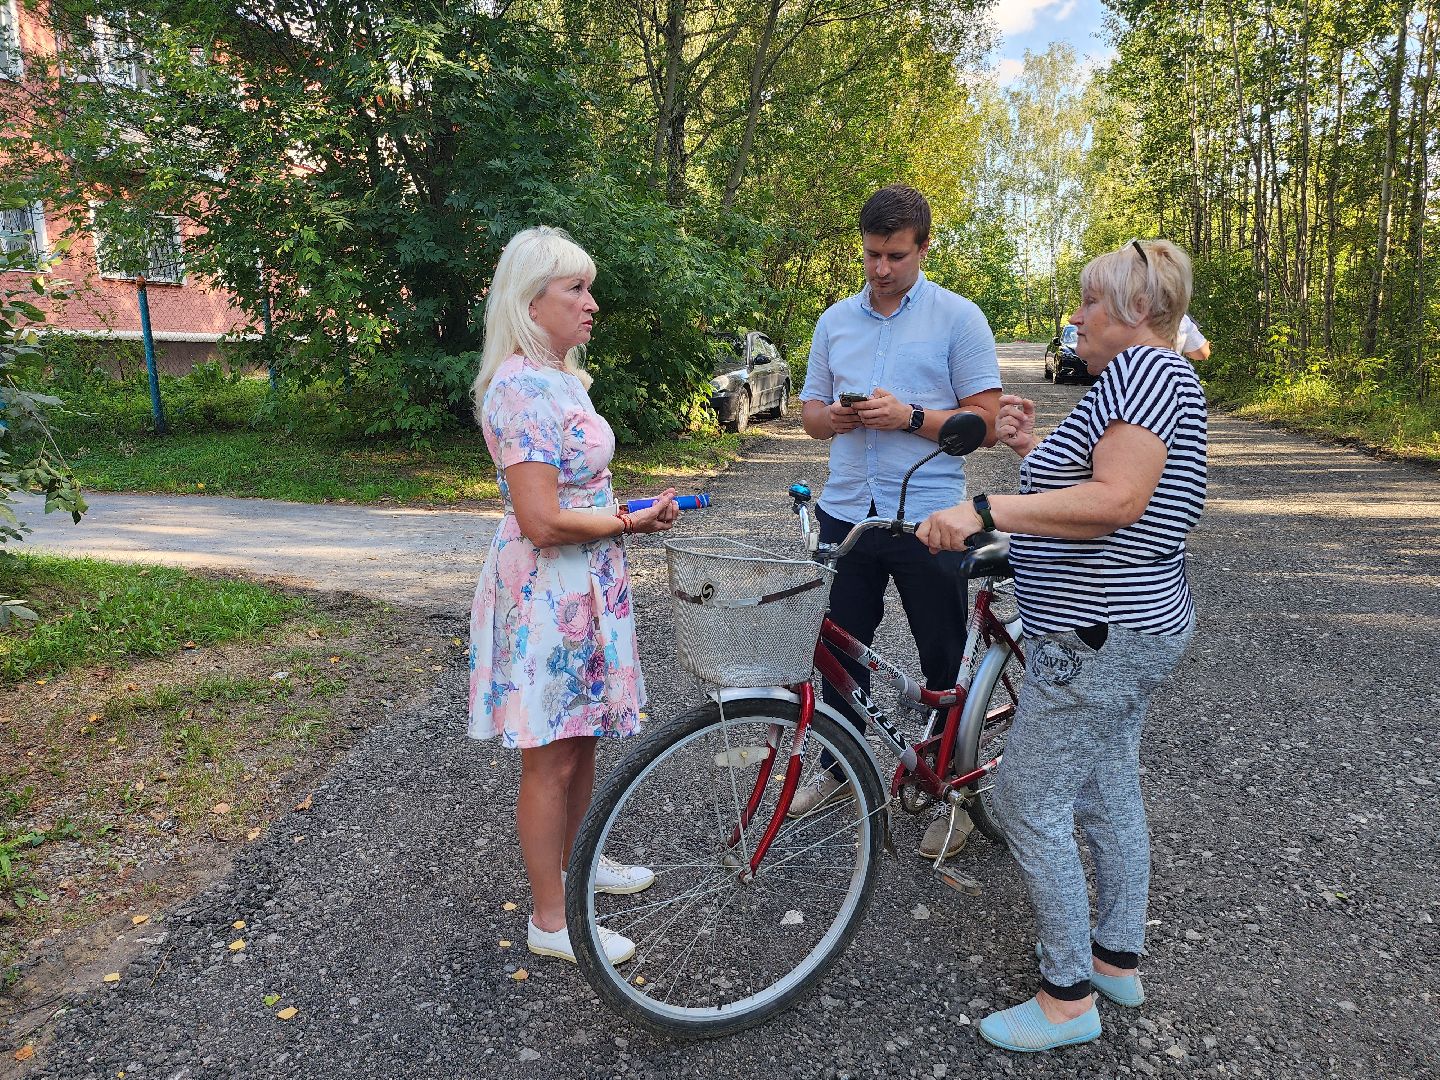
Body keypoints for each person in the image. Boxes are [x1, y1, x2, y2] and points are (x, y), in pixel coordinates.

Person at [918, 238, 1207, 1052]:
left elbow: (1116, 501)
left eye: (1088, 302)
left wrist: (987, 510)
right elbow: (1100, 485)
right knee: (1107, 787)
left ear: (1138, 312)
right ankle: (1115, 959)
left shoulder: (1147, 371)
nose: (1074, 316)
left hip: (1099, 636)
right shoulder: (1140, 379)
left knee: (1027, 801)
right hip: (1130, 628)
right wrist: (1025, 453)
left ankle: (1066, 998)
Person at [468, 226, 681, 966]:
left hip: (585, 581)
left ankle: (578, 863)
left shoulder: (561, 378)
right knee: (549, 759)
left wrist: (627, 512)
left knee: (582, 735)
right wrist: (630, 519)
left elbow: (578, 490)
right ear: (532, 301)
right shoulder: (521, 387)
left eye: (588, 288)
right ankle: (550, 918)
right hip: (546, 589)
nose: (592, 303)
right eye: (576, 289)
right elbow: (541, 520)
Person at [794, 184, 1001, 861]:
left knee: (944, 658)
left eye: (894, 255)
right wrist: (841, 418)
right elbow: (810, 416)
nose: (880, 269)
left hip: (931, 519)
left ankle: (954, 794)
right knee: (839, 651)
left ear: (924, 247)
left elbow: (988, 425)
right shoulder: (835, 322)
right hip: (848, 509)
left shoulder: (958, 318)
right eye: (871, 254)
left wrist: (910, 417)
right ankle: (836, 771)